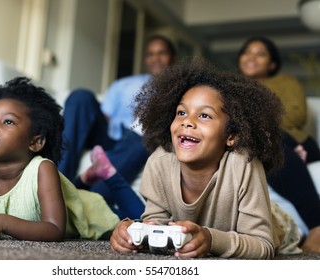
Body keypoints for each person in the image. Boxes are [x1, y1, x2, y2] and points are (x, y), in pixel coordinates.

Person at [109, 57, 302, 259]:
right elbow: (155, 224)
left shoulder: (242, 164)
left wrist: (210, 239)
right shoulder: (160, 162)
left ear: (231, 136)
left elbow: (263, 244)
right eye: (181, 112)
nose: (187, 122)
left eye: (204, 116)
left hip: (277, 224)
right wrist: (134, 236)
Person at [0, 77, 119, 241]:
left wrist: (2, 221)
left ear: (35, 142)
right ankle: (85, 180)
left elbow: (55, 229)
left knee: (130, 219)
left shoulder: (43, 169)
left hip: (95, 216)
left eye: (8, 121)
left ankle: (101, 179)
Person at [59, 35, 177, 219]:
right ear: (146, 59)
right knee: (80, 96)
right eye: (151, 54)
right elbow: (103, 116)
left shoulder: (181, 88)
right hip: (111, 136)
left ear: (172, 57)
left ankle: (84, 203)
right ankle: (56, 184)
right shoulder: (124, 85)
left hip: (139, 140)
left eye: (162, 53)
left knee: (141, 142)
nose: (156, 58)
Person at [237, 36, 320, 252]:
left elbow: (296, 115)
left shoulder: (286, 83)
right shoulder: (232, 88)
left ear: (272, 64)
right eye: (247, 52)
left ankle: (318, 225)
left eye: (260, 53)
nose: (251, 57)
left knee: (269, 140)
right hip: (253, 141)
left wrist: (257, 122)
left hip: (292, 139)